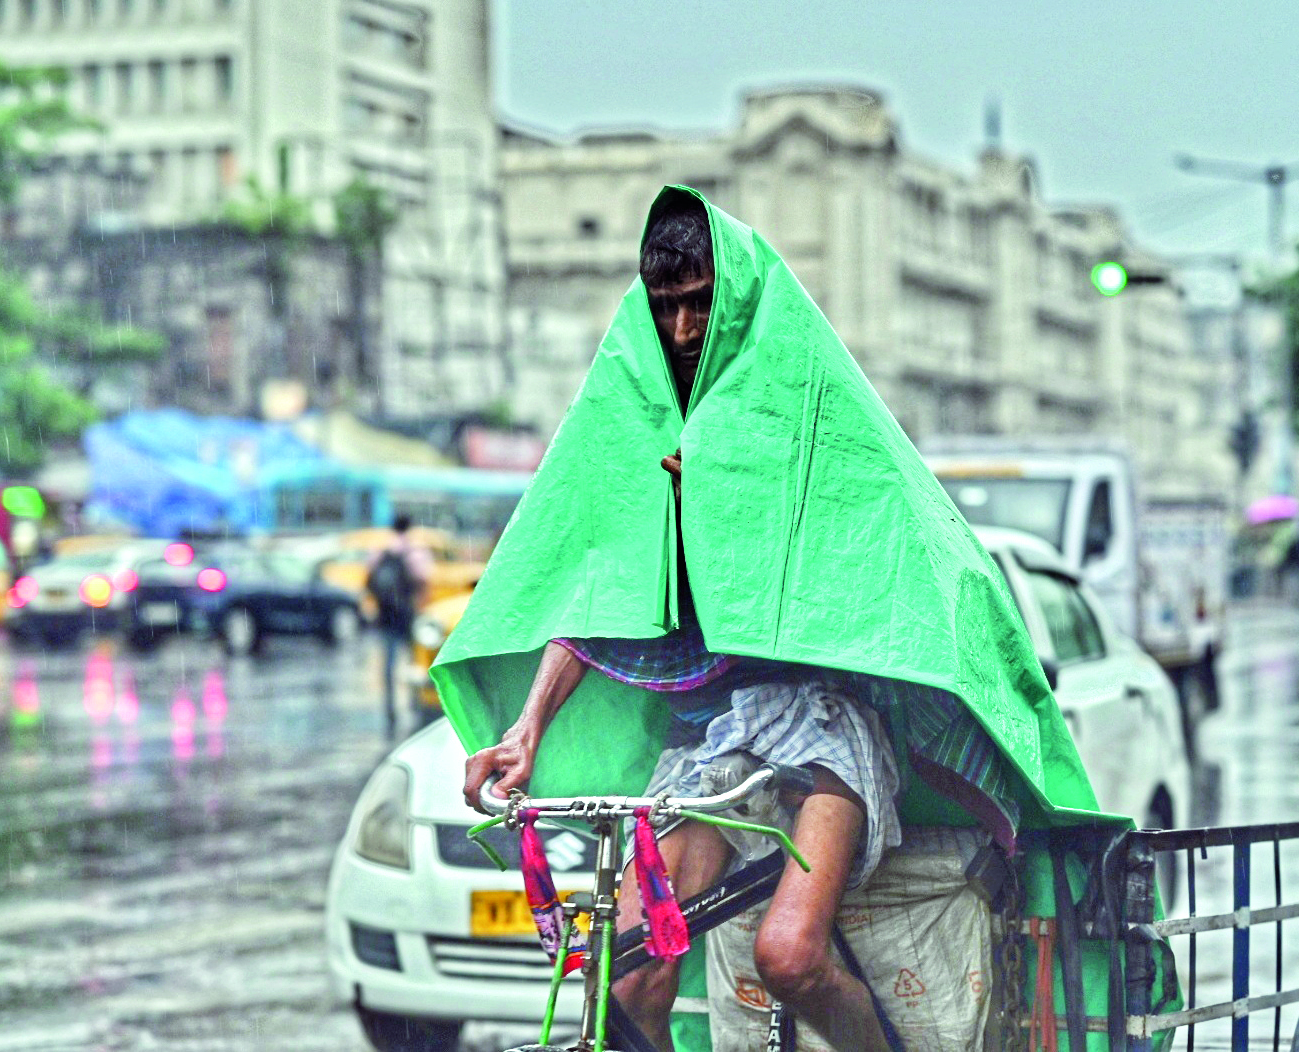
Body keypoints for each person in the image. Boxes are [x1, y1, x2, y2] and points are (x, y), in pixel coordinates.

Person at [437, 187, 1116, 1050]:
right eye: (665, 308)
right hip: (708, 742)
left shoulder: (807, 410)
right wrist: (527, 728)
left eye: (699, 305)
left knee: (788, 955)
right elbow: (599, 595)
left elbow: (886, 548)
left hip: (819, 730)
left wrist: (724, 497)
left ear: (735, 303)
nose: (683, 332)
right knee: (632, 974)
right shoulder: (641, 427)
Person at [366, 514, 431, 726]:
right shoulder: (415, 552)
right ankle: (415, 703)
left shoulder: (380, 551)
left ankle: (389, 708)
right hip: (407, 614)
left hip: (386, 616)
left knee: (389, 664)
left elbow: (369, 580)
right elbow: (423, 580)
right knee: (415, 661)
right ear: (409, 527)